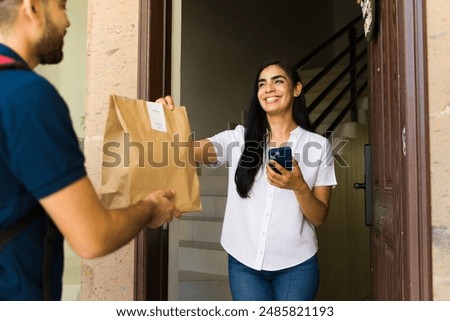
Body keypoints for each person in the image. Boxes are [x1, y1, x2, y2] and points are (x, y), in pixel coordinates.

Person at [0, 0, 181, 300]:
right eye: (61, 7)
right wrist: (151, 208)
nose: (68, 22)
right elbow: (92, 237)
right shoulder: (28, 96)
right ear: (32, 8)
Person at [158, 60, 337, 301]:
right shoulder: (238, 139)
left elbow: (319, 217)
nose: (268, 89)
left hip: (298, 266)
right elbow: (187, 151)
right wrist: (166, 124)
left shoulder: (318, 146)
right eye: (262, 84)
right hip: (244, 264)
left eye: (278, 81)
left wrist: (299, 187)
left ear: (297, 89)